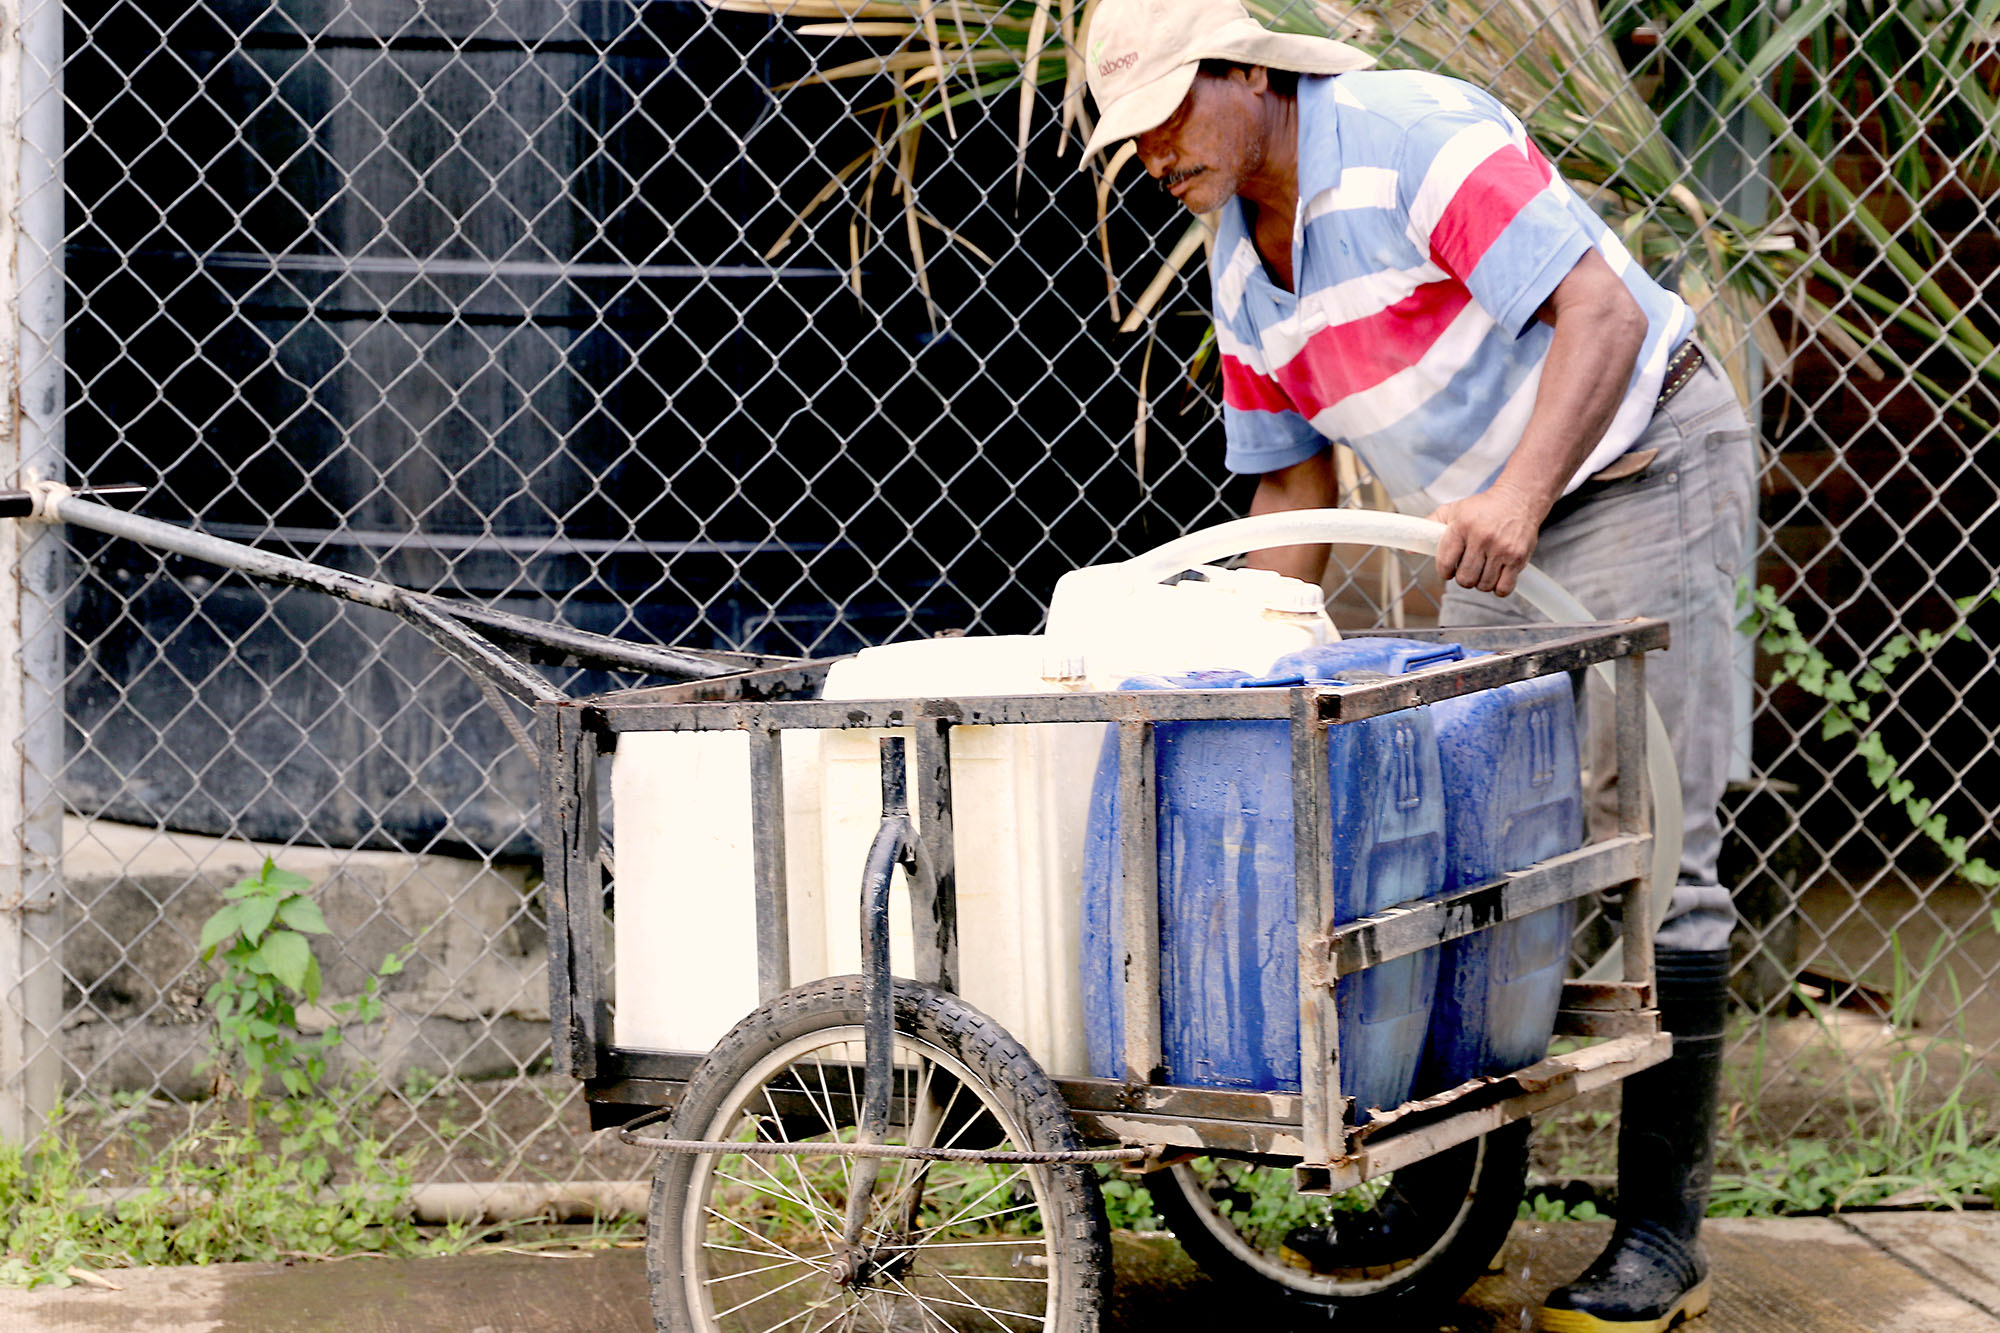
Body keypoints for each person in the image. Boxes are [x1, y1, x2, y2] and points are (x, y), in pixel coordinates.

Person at [1080, 0, 1757, 1329]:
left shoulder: (1406, 137)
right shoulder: (1238, 262)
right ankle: (1445, 1195)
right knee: (1467, 849)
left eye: (1169, 109)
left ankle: (1659, 1236)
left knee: (1654, 840)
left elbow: (1602, 313)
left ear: (1247, 73)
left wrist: (1512, 495)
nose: (1154, 151)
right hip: (1491, 524)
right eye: (1133, 131)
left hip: (1635, 463)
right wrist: (1251, 658)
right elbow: (1292, 485)